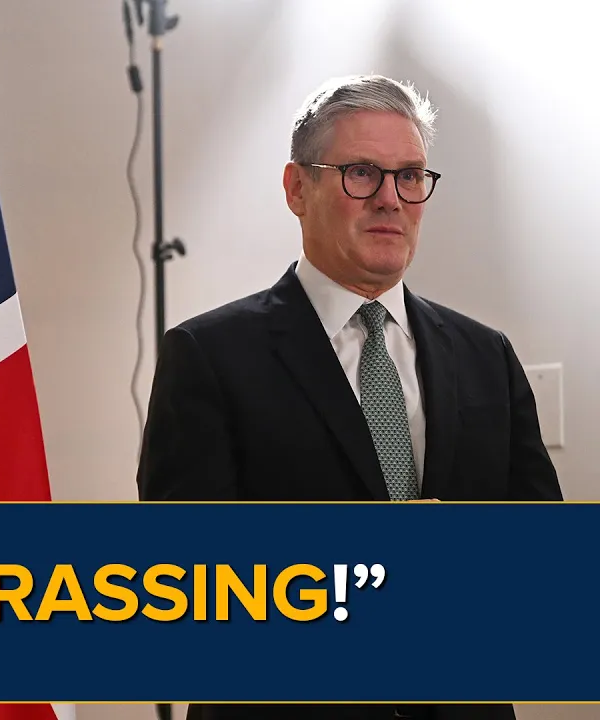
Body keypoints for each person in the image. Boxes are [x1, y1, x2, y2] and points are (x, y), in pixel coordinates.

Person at [137, 75, 561, 720]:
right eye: (362, 173)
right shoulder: (209, 355)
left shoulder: (486, 356)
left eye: (410, 176)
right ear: (297, 189)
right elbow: (178, 585)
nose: (390, 198)